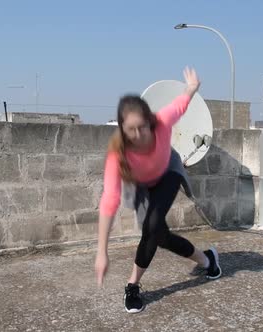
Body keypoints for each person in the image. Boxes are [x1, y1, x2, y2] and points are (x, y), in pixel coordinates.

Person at [94, 67, 222, 314]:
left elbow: (181, 104)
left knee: (151, 227)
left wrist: (192, 88)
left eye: (143, 127)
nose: (139, 134)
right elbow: (109, 200)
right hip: (140, 184)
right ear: (121, 129)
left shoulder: (162, 122)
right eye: (131, 129)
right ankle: (207, 259)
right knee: (160, 236)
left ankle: (132, 285)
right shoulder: (117, 155)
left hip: (168, 171)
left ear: (150, 121)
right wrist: (102, 252)